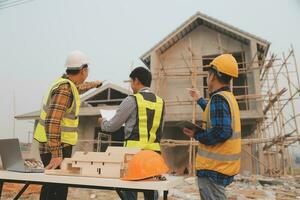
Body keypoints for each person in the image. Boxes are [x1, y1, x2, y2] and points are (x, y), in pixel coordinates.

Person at [34, 50, 103, 200]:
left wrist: (94, 85)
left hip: (53, 145)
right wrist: (57, 154)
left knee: (54, 187)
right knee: (56, 191)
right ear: (83, 70)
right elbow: (52, 121)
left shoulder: (66, 84)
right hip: (56, 147)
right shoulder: (65, 89)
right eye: (87, 70)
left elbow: (78, 88)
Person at [98, 66, 164, 200]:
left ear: (136, 80)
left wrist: (102, 122)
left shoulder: (132, 100)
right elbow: (159, 129)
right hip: (154, 155)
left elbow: (112, 126)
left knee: (129, 189)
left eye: (131, 82)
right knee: (151, 191)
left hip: (133, 155)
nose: (131, 86)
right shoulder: (161, 102)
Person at [183, 54, 241, 200]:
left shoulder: (218, 99)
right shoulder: (227, 97)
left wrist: (196, 134)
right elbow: (214, 113)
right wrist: (199, 99)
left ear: (213, 76)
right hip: (222, 167)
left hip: (213, 169)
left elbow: (222, 131)